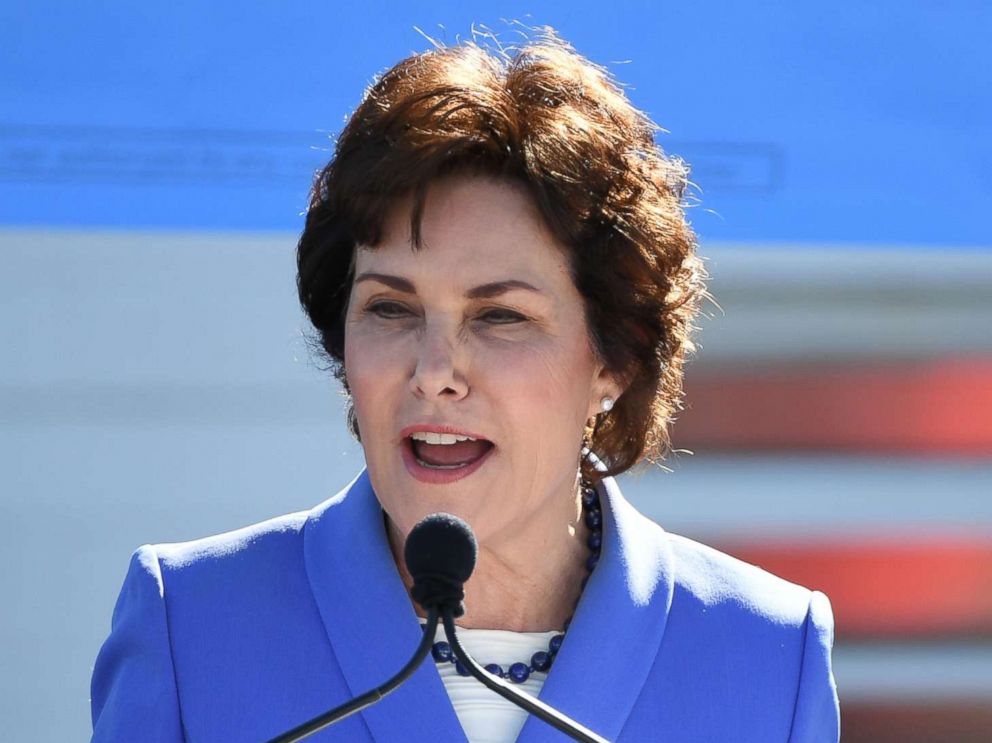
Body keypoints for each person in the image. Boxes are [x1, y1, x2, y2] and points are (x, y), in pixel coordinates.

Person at [90, 28, 840, 743]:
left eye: (500, 316)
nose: (434, 371)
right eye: (391, 308)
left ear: (617, 356)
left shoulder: (768, 655)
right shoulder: (191, 623)